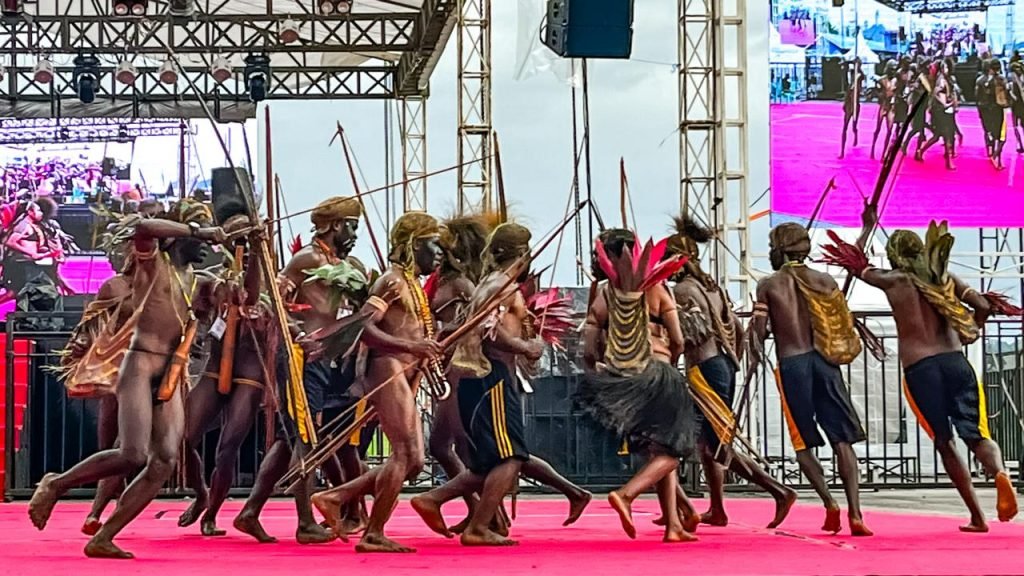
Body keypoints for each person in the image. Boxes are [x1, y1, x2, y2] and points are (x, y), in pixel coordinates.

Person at [27, 199, 228, 558]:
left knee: (164, 460)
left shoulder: (200, 282)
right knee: (132, 453)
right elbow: (144, 228)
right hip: (138, 365)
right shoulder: (153, 265)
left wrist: (252, 248)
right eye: (196, 237)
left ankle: (104, 536)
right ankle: (55, 484)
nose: (204, 246)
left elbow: (245, 295)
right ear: (178, 236)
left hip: (170, 373)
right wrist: (199, 230)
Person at [820, 220, 1019, 532]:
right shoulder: (945, 278)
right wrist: (970, 330)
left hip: (920, 369)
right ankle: (999, 473)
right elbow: (981, 304)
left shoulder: (893, 280)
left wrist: (868, 225)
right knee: (977, 434)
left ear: (894, 256)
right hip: (955, 362)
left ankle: (978, 516)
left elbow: (855, 263)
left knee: (944, 440)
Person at [410, 222, 591, 545]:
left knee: (494, 459)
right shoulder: (501, 286)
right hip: (489, 377)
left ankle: (434, 499)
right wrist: (526, 347)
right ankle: (477, 527)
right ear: (521, 254)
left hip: (486, 378)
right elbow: (490, 332)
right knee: (511, 457)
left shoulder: (493, 284)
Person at [233, 196, 365, 545]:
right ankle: (305, 522)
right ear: (335, 225)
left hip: (325, 358)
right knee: (305, 437)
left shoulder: (344, 264)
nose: (355, 234)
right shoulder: (307, 259)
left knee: (287, 439)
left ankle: (250, 512)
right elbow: (271, 300)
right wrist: (293, 329)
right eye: (352, 226)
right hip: (300, 356)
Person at [311, 211, 445, 553]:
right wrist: (411, 347)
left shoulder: (411, 284)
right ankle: (373, 533)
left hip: (403, 367)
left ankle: (336, 496)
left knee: (415, 461)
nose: (440, 252)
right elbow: (364, 327)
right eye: (434, 244)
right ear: (414, 245)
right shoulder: (392, 281)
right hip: (386, 366)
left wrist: (422, 349)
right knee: (403, 453)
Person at [667, 215, 796, 529]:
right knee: (708, 443)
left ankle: (778, 490)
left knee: (719, 444)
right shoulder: (714, 289)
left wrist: (669, 365)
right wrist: (731, 362)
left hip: (704, 369)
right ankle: (717, 508)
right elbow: (737, 329)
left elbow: (686, 337)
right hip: (722, 365)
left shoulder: (683, 290)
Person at [749, 222, 871, 537]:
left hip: (793, 365)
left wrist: (753, 345)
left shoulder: (769, 285)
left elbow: (758, 333)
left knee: (803, 441)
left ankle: (829, 502)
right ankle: (856, 513)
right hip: (826, 363)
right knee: (841, 440)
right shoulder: (825, 280)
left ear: (779, 250)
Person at [577, 229, 696, 543]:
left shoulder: (604, 294)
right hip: (657, 373)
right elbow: (679, 340)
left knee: (659, 451)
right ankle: (626, 494)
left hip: (620, 379)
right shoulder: (656, 288)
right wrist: (670, 362)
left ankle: (673, 525)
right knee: (675, 450)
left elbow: (589, 350)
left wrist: (601, 372)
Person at [178, 212, 270, 537]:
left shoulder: (267, 283)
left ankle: (212, 515)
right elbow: (195, 313)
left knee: (227, 448)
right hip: (214, 369)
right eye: (237, 239)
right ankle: (201, 494)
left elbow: (252, 295)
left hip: (249, 376)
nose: (240, 245)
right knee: (183, 438)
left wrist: (256, 253)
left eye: (246, 239)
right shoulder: (211, 282)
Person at [917, 59, 958, 170]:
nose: (947, 69)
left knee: (938, 136)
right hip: (940, 111)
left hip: (945, 110)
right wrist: (944, 104)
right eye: (945, 67)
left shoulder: (946, 79)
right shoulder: (941, 79)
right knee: (945, 136)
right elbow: (935, 92)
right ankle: (948, 161)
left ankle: (921, 151)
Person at [976, 59, 1011, 170]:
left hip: (985, 110)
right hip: (997, 109)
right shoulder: (1001, 79)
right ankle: (997, 158)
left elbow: (977, 97)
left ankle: (990, 151)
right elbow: (1007, 94)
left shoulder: (980, 80)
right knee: (1000, 135)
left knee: (988, 131)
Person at [871, 60, 898, 160]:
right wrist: (881, 94)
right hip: (883, 105)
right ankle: (872, 149)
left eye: (894, 69)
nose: (893, 71)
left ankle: (884, 154)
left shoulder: (896, 80)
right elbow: (877, 92)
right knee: (877, 129)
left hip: (891, 106)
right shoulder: (882, 80)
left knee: (889, 131)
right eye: (891, 69)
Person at [839, 58, 865, 159]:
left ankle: (855, 135)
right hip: (849, 104)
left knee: (854, 126)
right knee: (845, 127)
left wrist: (858, 66)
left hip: (855, 105)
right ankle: (842, 151)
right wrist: (845, 104)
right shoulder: (851, 80)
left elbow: (862, 76)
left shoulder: (860, 76)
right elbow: (847, 94)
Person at [1009, 61, 1024, 153]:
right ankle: (1020, 144)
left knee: (1017, 126)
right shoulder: (1014, 83)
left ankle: (1021, 144)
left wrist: (1010, 92)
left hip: (1018, 106)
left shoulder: (1018, 83)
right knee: (1017, 126)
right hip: (1016, 106)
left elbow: (1016, 97)